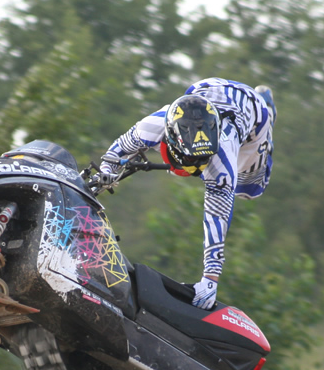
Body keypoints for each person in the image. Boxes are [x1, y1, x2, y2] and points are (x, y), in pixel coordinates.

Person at [98, 78, 276, 309]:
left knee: (248, 190)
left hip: (253, 114)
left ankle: (267, 105)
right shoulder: (152, 126)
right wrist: (104, 175)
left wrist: (210, 279)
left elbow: (217, 218)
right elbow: (115, 153)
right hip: (207, 89)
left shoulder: (223, 155)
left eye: (204, 159)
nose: (200, 166)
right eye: (193, 159)